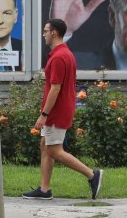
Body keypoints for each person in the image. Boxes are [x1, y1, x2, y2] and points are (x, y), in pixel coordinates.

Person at [22, 19, 102, 201]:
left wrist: (44, 114)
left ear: (54, 33)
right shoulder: (64, 54)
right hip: (59, 109)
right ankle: (44, 190)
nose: (44, 34)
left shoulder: (59, 57)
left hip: (56, 112)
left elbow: (55, 88)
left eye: (45, 31)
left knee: (55, 150)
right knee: (45, 146)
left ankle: (92, 174)